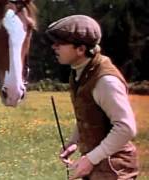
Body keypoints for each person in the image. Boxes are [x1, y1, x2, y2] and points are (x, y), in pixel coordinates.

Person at [45, 15, 138, 180]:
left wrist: (90, 159)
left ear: (80, 49)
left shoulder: (105, 81)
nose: (54, 47)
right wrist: (75, 141)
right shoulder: (80, 72)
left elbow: (126, 128)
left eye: (60, 43)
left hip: (115, 170)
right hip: (99, 167)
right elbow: (88, 114)